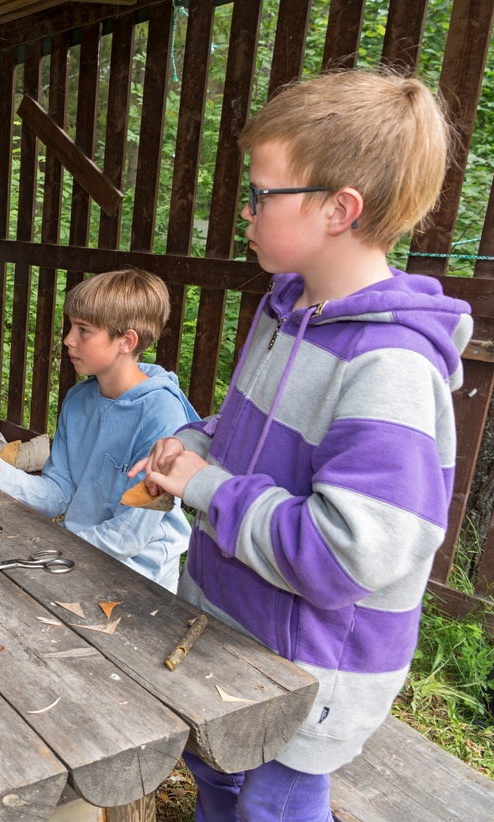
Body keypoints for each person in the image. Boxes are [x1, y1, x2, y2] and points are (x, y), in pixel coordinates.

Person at [132, 70, 470, 822]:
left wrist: (206, 488)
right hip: (232, 633)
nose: (243, 212)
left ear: (339, 209)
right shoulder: (287, 311)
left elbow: (351, 551)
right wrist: (188, 446)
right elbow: (250, 433)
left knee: (271, 808)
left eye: (260, 194)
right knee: (215, 779)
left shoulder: (392, 369)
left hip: (308, 674)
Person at [0, 269, 199, 592]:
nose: (69, 339)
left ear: (126, 341)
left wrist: (55, 552)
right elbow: (58, 493)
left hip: (139, 583)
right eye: (71, 326)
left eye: (84, 330)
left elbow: (129, 536)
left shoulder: (163, 416)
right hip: (72, 560)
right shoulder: (78, 399)